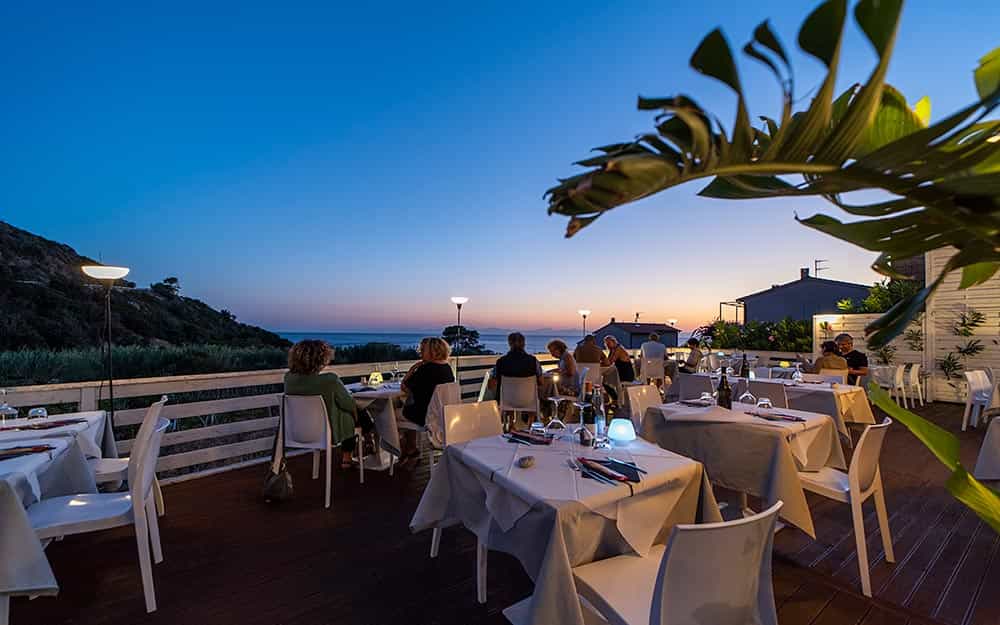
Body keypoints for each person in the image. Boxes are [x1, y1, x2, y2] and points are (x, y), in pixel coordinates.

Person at [284, 340, 369, 469]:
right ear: (320, 359)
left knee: (350, 412)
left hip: (297, 430)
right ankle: (367, 442)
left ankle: (352, 454)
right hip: (327, 431)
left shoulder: (288, 379)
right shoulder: (329, 380)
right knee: (355, 412)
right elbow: (348, 403)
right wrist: (355, 412)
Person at [399, 337, 455, 465]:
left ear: (431, 352)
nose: (420, 352)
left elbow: (404, 386)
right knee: (406, 410)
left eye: (423, 350)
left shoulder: (425, 369)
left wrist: (413, 368)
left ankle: (404, 451)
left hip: (426, 416)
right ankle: (411, 449)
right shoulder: (447, 368)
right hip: (443, 416)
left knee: (392, 415)